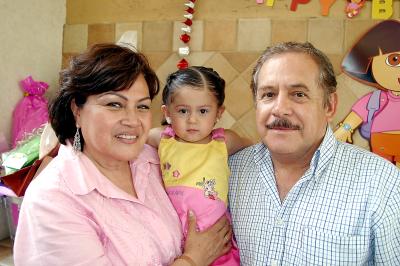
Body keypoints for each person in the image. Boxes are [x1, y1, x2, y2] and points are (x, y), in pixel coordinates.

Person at [13, 43, 232, 266]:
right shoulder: (54, 200)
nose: (133, 120)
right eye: (115, 104)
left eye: (143, 107)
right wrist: (193, 259)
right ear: (77, 111)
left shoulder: (154, 161)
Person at [228, 42, 400, 265]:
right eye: (268, 94)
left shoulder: (382, 182)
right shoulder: (233, 171)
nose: (279, 108)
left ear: (329, 105)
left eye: (298, 94)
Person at [147, 66, 252, 265]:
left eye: (203, 111)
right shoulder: (161, 138)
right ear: (167, 111)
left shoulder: (224, 141)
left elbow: (257, 149)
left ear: (219, 112)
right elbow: (131, 141)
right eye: (183, 110)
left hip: (217, 238)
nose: (193, 119)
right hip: (175, 237)